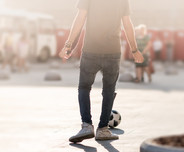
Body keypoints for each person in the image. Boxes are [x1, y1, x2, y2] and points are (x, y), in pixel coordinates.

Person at [59, 0, 144, 143]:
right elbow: (127, 24)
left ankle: (86, 126)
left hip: (91, 50)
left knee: (84, 87)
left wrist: (68, 45)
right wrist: (134, 50)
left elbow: (80, 18)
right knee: (109, 90)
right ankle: (103, 129)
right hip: (113, 51)